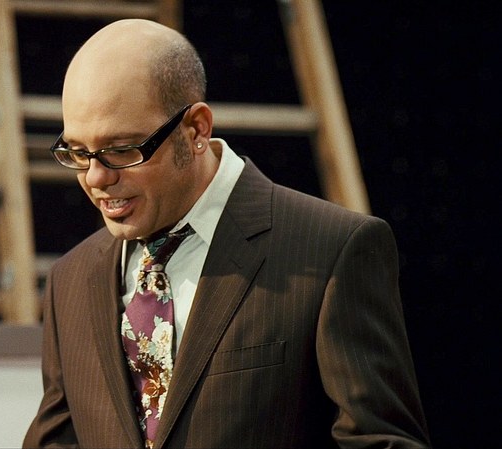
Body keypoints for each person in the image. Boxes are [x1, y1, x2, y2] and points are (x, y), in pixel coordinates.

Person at [23, 19, 430, 449]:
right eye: (77, 152)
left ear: (196, 129)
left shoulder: (331, 251)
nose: (96, 177)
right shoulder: (71, 280)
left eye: (122, 150)